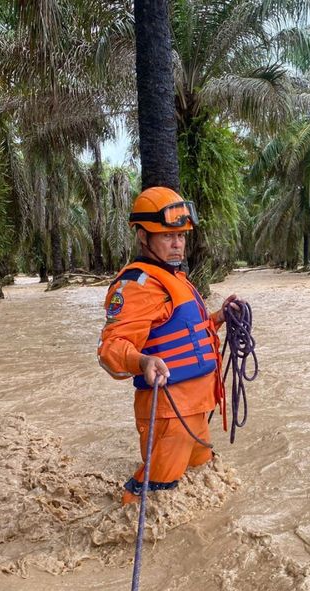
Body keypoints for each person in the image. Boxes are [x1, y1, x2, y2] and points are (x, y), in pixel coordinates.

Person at [96, 186, 244, 504]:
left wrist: (220, 317)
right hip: (169, 412)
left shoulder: (174, 278)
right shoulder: (136, 286)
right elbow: (111, 348)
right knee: (155, 494)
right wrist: (143, 362)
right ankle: (120, 533)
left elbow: (187, 332)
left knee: (200, 478)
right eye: (167, 236)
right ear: (143, 236)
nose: (177, 244)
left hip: (196, 406)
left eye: (181, 236)